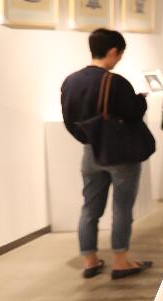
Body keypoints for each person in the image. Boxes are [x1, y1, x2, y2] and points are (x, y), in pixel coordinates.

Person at [60, 28, 153, 280]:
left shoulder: (70, 81)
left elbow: (69, 120)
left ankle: (90, 261)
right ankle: (120, 261)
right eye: (120, 54)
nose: (119, 59)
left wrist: (88, 139)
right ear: (112, 51)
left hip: (90, 152)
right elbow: (134, 113)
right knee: (122, 208)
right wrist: (141, 100)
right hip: (119, 153)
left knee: (90, 208)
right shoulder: (115, 82)